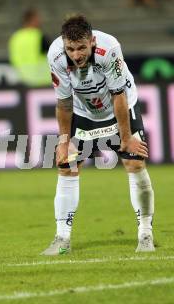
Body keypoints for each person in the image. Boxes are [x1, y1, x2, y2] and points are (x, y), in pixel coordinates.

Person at [42, 14, 155, 255]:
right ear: (64, 45)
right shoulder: (55, 55)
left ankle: (145, 233)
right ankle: (62, 239)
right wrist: (63, 142)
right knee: (67, 167)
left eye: (81, 47)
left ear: (92, 41)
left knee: (134, 165)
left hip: (119, 108)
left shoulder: (109, 49)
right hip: (84, 112)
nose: (76, 55)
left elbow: (119, 96)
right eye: (71, 49)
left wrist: (126, 139)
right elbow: (63, 102)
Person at [8, 8, 50, 87]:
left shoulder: (15, 37)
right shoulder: (38, 36)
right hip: (41, 80)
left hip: (22, 80)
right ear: (32, 20)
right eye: (38, 18)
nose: (40, 21)